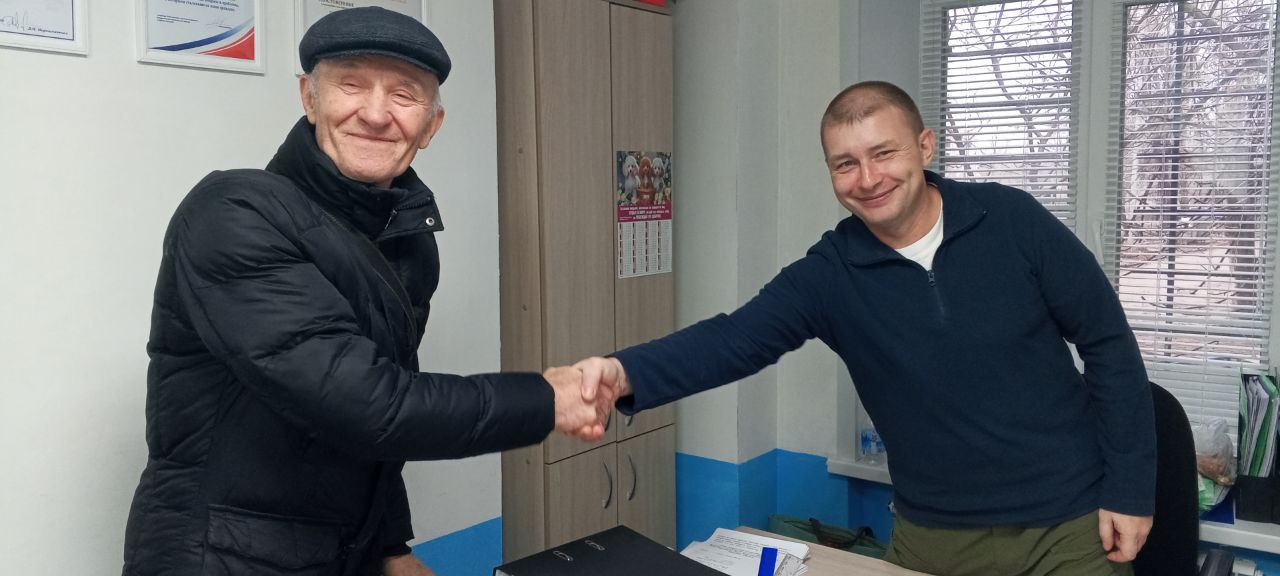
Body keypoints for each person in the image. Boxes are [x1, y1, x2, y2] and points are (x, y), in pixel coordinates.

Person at [573, 80, 1155, 576]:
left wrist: (1130, 490)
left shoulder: (1010, 220)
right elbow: (733, 339)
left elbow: (1108, 345)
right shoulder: (831, 273)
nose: (868, 178)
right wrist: (623, 373)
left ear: (924, 146)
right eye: (845, 164)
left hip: (1069, 524)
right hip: (935, 534)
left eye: (884, 153)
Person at [122, 7, 610, 576]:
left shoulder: (406, 241)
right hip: (216, 556)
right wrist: (546, 398)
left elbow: (375, 415)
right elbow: (367, 404)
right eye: (351, 85)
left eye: (404, 95)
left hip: (341, 550)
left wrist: (390, 546)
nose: (376, 114)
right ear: (309, 98)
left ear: (431, 125)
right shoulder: (234, 213)